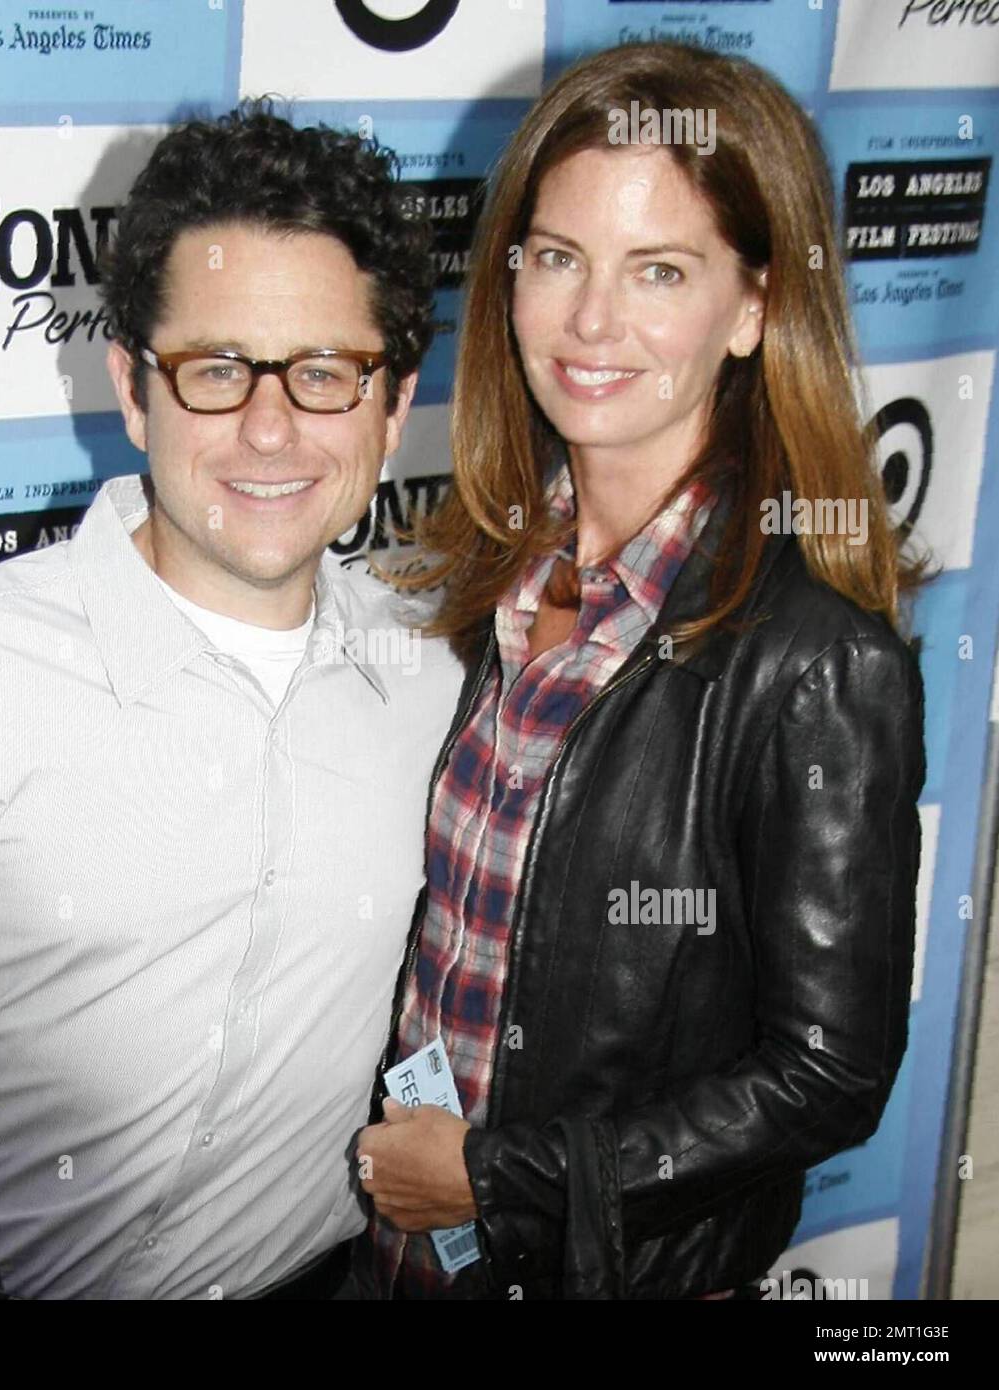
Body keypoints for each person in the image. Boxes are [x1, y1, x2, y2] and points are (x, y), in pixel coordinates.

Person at [0, 104, 463, 1300]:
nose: (268, 427)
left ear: (390, 407)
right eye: (214, 369)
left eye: (321, 373)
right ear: (135, 390)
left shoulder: (443, 681)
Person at [354, 41, 927, 1300]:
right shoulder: (488, 579)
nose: (591, 321)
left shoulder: (814, 659)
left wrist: (502, 1176)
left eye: (658, 270)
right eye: (556, 258)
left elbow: (827, 1072)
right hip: (408, 1258)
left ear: (753, 307)